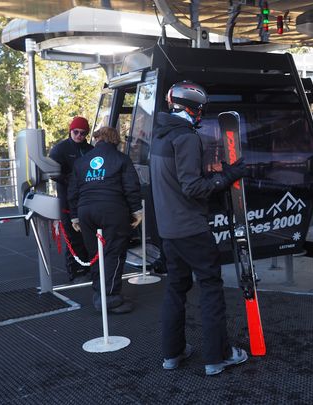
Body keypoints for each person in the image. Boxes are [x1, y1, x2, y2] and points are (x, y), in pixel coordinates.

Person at [150, 80, 248, 375]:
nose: (201, 116)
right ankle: (217, 357)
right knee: (210, 288)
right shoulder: (186, 138)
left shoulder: (160, 137)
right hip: (191, 228)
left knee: (176, 289)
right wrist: (228, 177)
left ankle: (172, 354)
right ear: (192, 108)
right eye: (200, 110)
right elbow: (192, 187)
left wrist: (212, 173)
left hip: (169, 230)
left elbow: (175, 180)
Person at [68, 126, 143, 314]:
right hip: (113, 210)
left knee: (95, 254)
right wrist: (137, 211)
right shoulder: (121, 159)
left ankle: (99, 293)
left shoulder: (82, 161)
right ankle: (110, 298)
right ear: (114, 140)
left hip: (86, 212)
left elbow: (73, 191)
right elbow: (131, 187)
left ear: (98, 139)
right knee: (114, 253)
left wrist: (74, 216)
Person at [49, 116, 93, 281]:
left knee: (87, 236)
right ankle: (75, 272)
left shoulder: (89, 149)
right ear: (70, 131)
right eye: (76, 132)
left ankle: (87, 267)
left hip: (86, 198)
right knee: (72, 237)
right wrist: (69, 179)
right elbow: (52, 172)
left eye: (83, 133)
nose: (79, 136)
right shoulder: (60, 149)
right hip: (67, 199)